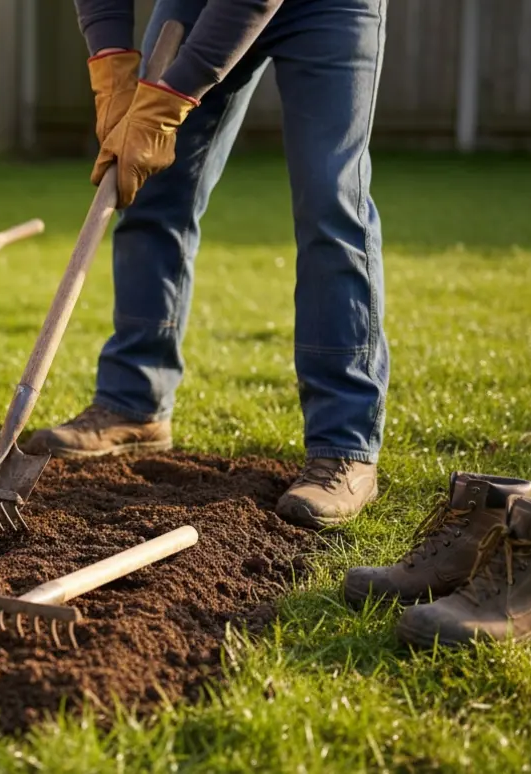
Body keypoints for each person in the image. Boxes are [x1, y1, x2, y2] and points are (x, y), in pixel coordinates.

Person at [24, 0, 390, 529]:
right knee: (150, 183)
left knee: (330, 201)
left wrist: (171, 97)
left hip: (328, 9)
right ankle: (135, 402)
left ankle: (344, 446)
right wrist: (111, 66)